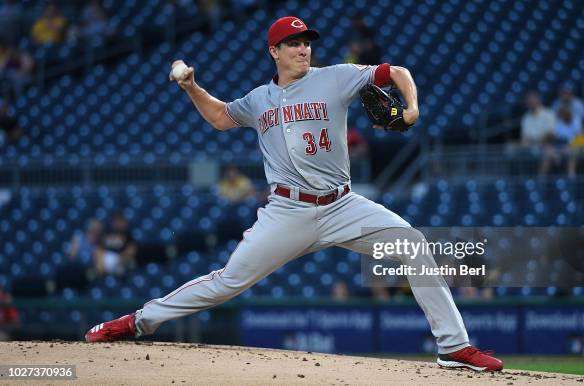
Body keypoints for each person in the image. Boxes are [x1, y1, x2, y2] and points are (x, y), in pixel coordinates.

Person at [85, 16, 503, 372]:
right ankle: (139, 321)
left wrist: (410, 108)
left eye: (305, 43)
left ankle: (452, 346)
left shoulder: (337, 77)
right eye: (293, 44)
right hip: (287, 211)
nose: (303, 50)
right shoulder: (258, 100)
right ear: (274, 52)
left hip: (342, 205)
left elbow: (397, 73)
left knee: (412, 243)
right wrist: (192, 87)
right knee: (227, 282)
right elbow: (219, 117)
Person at [93, 210, 137, 276]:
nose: (117, 223)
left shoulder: (128, 235)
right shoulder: (107, 233)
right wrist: (100, 263)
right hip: (105, 261)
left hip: (120, 261)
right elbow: (99, 249)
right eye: (115, 221)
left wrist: (119, 260)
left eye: (119, 221)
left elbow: (131, 250)